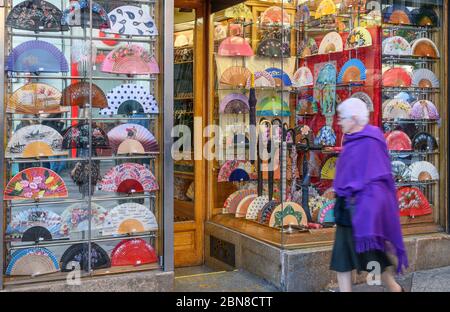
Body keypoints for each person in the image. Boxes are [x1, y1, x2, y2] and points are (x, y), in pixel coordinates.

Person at [330, 98, 408, 292]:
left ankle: (394, 288)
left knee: (373, 256)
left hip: (364, 211)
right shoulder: (350, 140)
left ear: (354, 119)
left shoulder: (370, 140)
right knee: (342, 257)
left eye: (342, 118)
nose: (339, 122)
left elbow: (377, 177)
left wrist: (364, 201)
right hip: (346, 208)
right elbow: (347, 172)